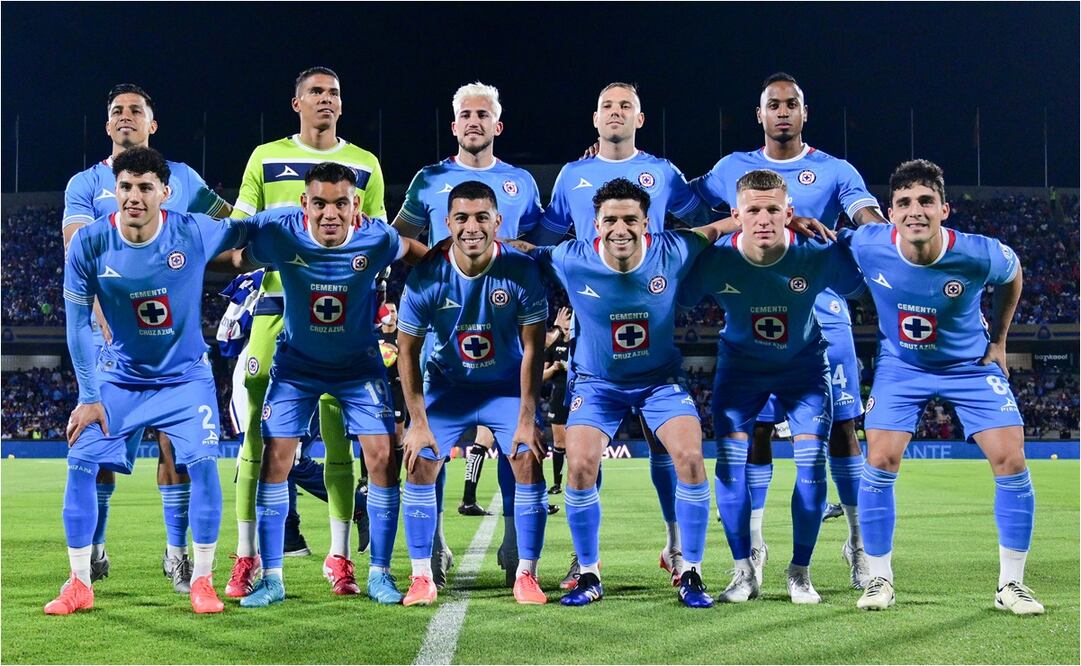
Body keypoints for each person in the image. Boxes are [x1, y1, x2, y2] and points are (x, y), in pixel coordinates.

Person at [689, 72, 887, 589]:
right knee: (755, 432)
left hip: (824, 317)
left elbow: (867, 220)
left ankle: (858, 544)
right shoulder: (731, 168)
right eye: (773, 104)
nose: (782, 112)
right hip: (756, 313)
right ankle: (752, 550)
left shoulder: (835, 170)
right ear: (760, 114)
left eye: (791, 104)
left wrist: (885, 240)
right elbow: (681, 200)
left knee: (842, 429)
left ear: (804, 113)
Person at [530, 82, 714, 589]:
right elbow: (541, 239)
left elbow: (707, 222)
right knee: (582, 460)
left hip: (654, 320)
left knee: (672, 453)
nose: (616, 113)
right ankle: (585, 563)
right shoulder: (573, 176)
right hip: (595, 333)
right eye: (607, 106)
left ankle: (679, 551)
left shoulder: (663, 173)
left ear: (640, 117)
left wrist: (764, 220)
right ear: (595, 118)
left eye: (625, 105)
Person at [840, 160, 1041, 615]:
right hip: (902, 365)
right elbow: (827, 245)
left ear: (944, 209)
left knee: (1011, 458)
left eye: (926, 201)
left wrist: (1000, 340)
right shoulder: (868, 243)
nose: (916, 210)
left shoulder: (978, 253)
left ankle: (1011, 584)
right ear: (890, 212)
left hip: (970, 365)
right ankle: (879, 578)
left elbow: (1013, 274)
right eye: (905, 202)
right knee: (880, 458)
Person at [48, 147, 242, 615]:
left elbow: (249, 228)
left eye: (144, 187)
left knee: (203, 464)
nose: (134, 196)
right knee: (80, 461)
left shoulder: (191, 229)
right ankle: (79, 583)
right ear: (115, 191)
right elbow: (77, 326)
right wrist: (89, 396)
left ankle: (202, 580)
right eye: (126, 187)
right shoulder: (90, 243)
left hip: (185, 378)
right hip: (120, 377)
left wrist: (303, 227)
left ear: (165, 193)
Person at [233, 162, 426, 608]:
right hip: (296, 367)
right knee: (275, 458)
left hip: (358, 368)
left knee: (382, 459)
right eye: (319, 203)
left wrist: (459, 262)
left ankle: (379, 573)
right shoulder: (282, 233)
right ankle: (272, 578)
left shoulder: (376, 237)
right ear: (305, 203)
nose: (330, 213)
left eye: (341, 203)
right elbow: (237, 247)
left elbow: (414, 250)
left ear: (355, 205)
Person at [226, 66, 384, 597]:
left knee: (339, 434)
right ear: (297, 103)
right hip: (275, 310)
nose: (326, 99)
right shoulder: (264, 157)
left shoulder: (365, 164)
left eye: (333, 92)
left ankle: (340, 558)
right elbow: (239, 232)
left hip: (341, 317)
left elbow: (376, 241)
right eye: (315, 92)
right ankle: (247, 556)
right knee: (257, 435)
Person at [678, 169, 865, 604]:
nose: (763, 219)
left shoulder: (814, 253)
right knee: (730, 467)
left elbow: (856, 285)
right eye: (753, 211)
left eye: (773, 210)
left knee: (812, 465)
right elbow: (678, 291)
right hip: (741, 370)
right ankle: (744, 570)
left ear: (789, 213)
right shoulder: (716, 259)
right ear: (735, 215)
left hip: (804, 369)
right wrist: (711, 234)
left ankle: (800, 571)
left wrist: (838, 238)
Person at [392, 82, 545, 587]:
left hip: (505, 331)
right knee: (425, 451)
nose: (474, 122)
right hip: (445, 337)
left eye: (483, 114)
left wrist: (513, 254)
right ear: (454, 124)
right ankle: (433, 543)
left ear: (497, 124)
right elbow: (401, 240)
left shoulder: (521, 181)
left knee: (518, 447)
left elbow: (540, 243)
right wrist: (440, 259)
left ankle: (515, 545)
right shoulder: (429, 178)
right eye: (465, 114)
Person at [543, 307, 573, 497]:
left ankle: (578, 482)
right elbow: (541, 376)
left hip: (579, 396)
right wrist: (554, 368)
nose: (567, 331)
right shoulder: (555, 346)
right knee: (559, 442)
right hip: (558, 396)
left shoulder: (582, 343)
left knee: (578, 442)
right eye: (565, 328)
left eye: (570, 327)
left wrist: (571, 368)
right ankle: (557, 483)